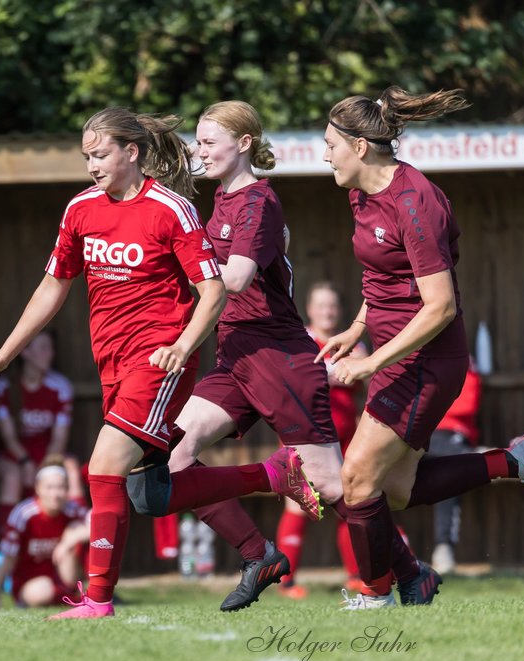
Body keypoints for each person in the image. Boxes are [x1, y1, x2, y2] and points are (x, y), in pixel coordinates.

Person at [0, 106, 321, 620]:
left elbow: (213, 289)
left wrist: (183, 346)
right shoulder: (80, 210)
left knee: (102, 468)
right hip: (111, 368)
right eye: (86, 155)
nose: (92, 165)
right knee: (151, 493)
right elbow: (54, 284)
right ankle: (270, 490)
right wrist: (6, 351)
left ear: (131, 153)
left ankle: (97, 601)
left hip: (159, 364)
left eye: (101, 154)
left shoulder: (170, 209)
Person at [317, 86, 524, 609]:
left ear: (360, 147)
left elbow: (439, 308)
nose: (326, 155)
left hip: (427, 360)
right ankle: (514, 463)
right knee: (397, 492)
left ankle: (378, 592)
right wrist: (355, 326)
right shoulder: (359, 191)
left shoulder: (416, 202)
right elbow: (381, 276)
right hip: (394, 356)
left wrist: (369, 363)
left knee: (356, 478)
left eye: (330, 144)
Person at [163, 102, 402, 613]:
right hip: (234, 356)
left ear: (244, 143)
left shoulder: (258, 201)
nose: (199, 150)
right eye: (198, 141)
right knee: (174, 454)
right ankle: (259, 555)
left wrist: (171, 271)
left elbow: (236, 279)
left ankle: (402, 572)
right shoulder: (222, 200)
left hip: (278, 358)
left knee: (337, 486)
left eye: (209, 141)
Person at [273, 282, 367, 599]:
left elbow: (363, 374)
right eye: (321, 306)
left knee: (350, 504)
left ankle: (357, 575)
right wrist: (342, 371)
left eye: (332, 306)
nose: (327, 312)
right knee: (300, 506)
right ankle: (285, 581)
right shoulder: (301, 341)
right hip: (303, 438)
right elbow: (298, 379)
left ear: (338, 311)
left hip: (346, 441)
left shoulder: (353, 345)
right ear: (310, 310)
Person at [0, 330, 84, 532]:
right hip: (14, 455)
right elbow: (8, 437)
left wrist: (45, 468)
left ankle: (80, 540)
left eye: (50, 348)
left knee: (72, 470)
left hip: (47, 452)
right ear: (25, 352)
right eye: (42, 348)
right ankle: (10, 544)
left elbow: (59, 438)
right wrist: (25, 462)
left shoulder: (60, 387)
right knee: (13, 476)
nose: (49, 354)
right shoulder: (3, 387)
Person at [0, 461, 89, 609]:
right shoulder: (24, 514)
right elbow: (8, 558)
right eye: (49, 487)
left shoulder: (71, 510)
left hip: (66, 578)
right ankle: (73, 597)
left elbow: (99, 523)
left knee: (76, 529)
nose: (55, 494)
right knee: (41, 591)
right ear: (38, 488)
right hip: (31, 583)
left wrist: (68, 541)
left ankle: (78, 593)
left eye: (60, 487)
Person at [427, 359, 482, 575]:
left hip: (452, 433)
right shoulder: (412, 354)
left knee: (448, 473)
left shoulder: (462, 358)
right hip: (417, 434)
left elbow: (467, 402)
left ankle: (443, 547)